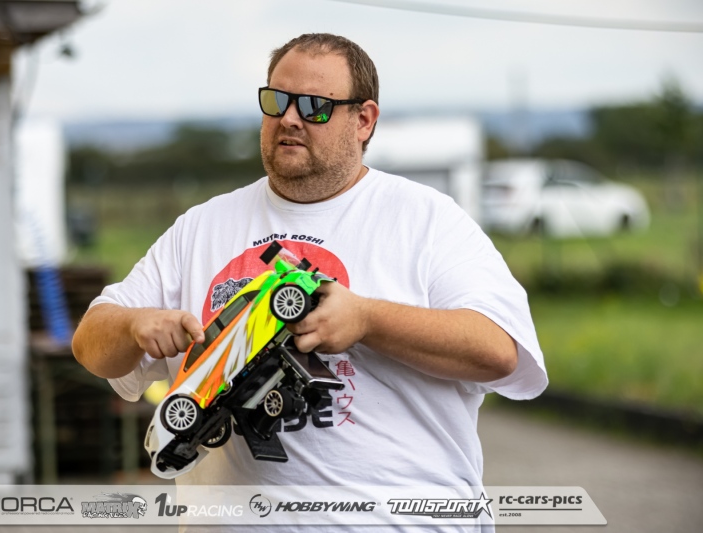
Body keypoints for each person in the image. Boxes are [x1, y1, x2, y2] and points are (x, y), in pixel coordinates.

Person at [73, 33, 547, 530]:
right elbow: (90, 345)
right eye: (276, 101)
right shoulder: (200, 228)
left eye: (315, 106)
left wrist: (367, 319)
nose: (290, 119)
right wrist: (133, 326)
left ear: (364, 120)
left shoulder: (426, 220)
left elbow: (501, 351)